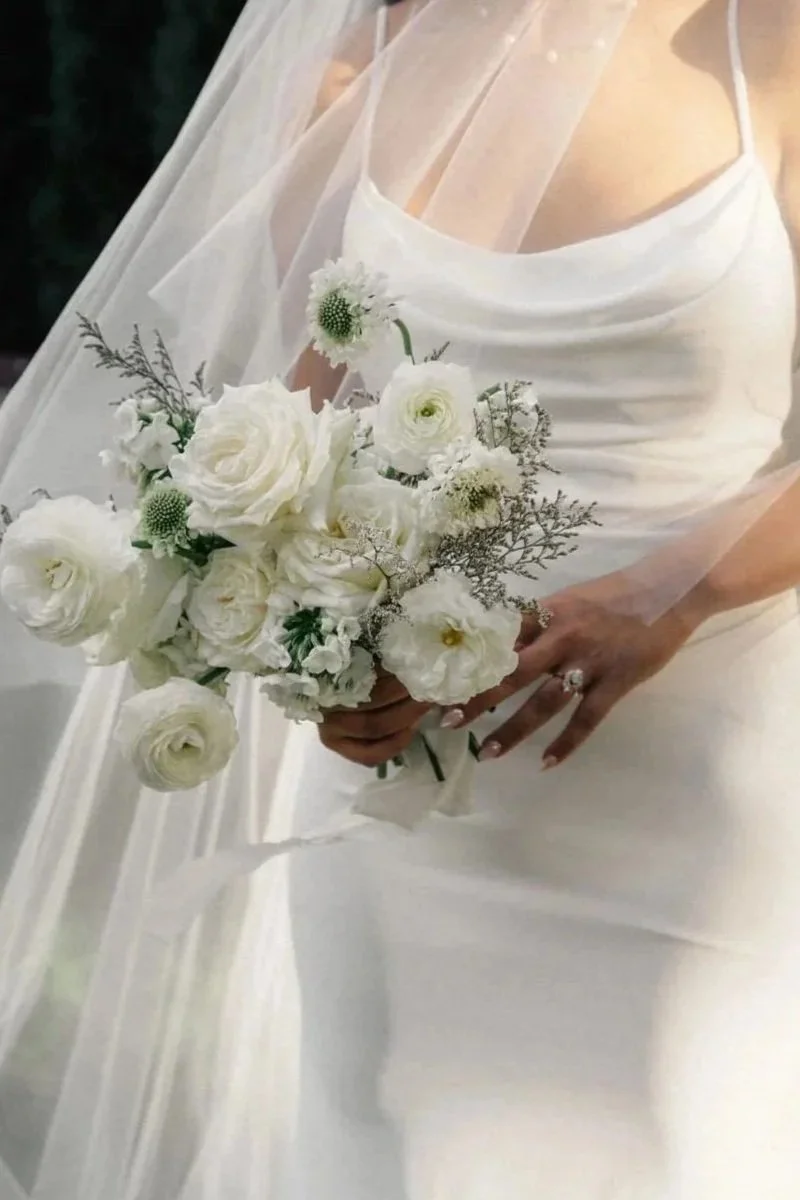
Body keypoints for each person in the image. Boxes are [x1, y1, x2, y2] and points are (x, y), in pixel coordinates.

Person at [0, 0, 799, 1196]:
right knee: (393, 1151)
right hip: (407, 811)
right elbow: (293, 451)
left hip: (703, 796)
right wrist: (323, 667)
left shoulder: (764, 42)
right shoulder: (356, 64)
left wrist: (670, 593)